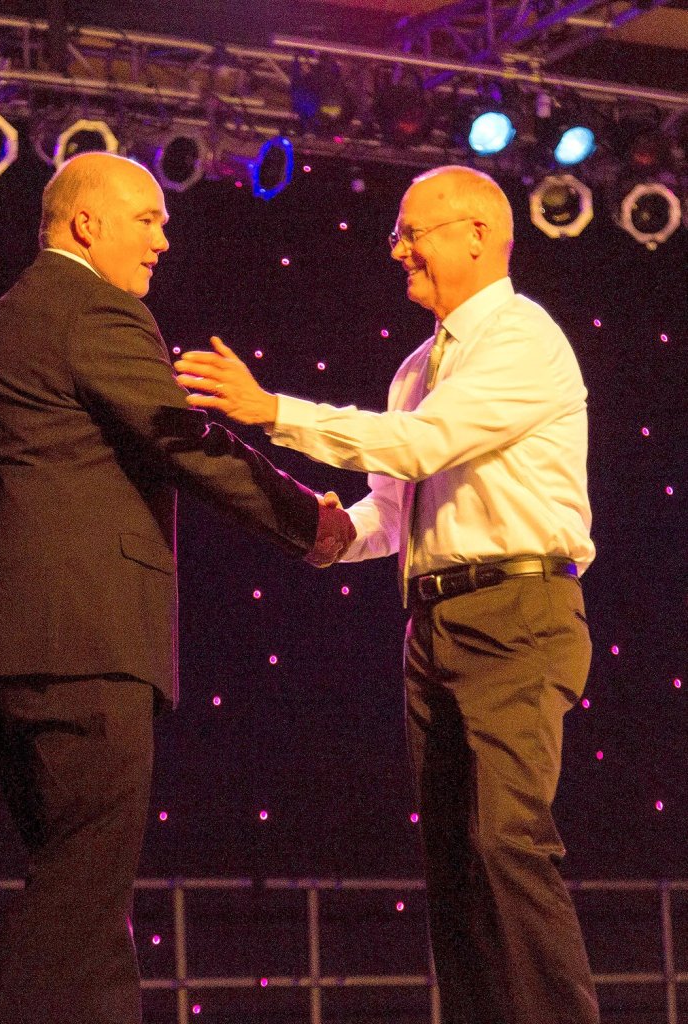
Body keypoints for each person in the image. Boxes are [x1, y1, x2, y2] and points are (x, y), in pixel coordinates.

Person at [175, 165, 600, 1024]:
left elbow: (420, 444)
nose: (396, 247)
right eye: (396, 233)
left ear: (478, 233)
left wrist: (271, 411)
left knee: (504, 843)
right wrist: (335, 535)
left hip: (516, 614)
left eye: (414, 230)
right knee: (453, 860)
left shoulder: (524, 336)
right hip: (434, 624)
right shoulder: (415, 366)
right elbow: (395, 507)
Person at [0, 151, 355, 1024]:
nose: (164, 239)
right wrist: (308, 521)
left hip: (16, 646)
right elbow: (181, 439)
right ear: (86, 223)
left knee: (89, 902)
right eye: (147, 219)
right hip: (82, 646)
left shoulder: (10, 314)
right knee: (78, 893)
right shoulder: (93, 307)